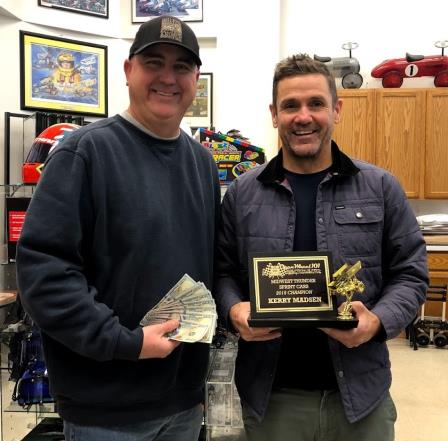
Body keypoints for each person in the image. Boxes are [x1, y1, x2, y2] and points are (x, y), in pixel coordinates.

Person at [16, 15, 220, 441]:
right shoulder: (84, 152)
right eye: (154, 63)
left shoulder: (201, 163)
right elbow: (44, 275)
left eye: (182, 67)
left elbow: (206, 267)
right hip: (105, 410)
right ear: (128, 71)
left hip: (182, 401)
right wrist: (126, 342)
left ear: (195, 79)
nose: (168, 77)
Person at [214, 54, 428, 441]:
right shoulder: (242, 194)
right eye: (290, 105)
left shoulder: (380, 187)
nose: (303, 116)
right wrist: (233, 310)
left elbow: (411, 273)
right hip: (271, 400)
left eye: (315, 103)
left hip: (361, 398)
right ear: (274, 115)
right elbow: (223, 271)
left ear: (337, 109)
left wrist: (377, 322)